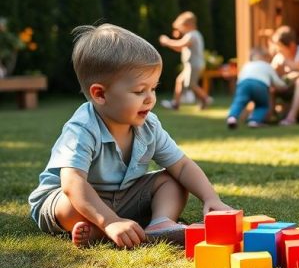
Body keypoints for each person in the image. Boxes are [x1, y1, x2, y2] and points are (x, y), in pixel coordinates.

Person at [28, 24, 233, 250]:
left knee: (172, 180)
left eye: (153, 88)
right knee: (70, 205)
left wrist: (210, 197)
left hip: (123, 196)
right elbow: (72, 182)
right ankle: (103, 227)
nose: (150, 99)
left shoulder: (149, 125)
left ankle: (159, 223)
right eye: (139, 91)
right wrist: (110, 220)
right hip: (71, 198)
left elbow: (182, 166)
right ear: (100, 94)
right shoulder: (83, 128)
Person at [159, 11, 211, 110]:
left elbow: (180, 45)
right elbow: (179, 48)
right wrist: (169, 43)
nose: (180, 30)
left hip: (194, 64)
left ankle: (205, 98)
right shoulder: (193, 34)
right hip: (191, 65)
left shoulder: (192, 35)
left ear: (188, 25)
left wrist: (167, 41)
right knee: (180, 81)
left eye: (181, 27)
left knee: (191, 85)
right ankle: (176, 104)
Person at [226, 47, 288, 129]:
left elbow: (240, 77)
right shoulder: (267, 66)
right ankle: (255, 121)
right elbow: (277, 82)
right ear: (265, 57)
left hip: (243, 84)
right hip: (260, 85)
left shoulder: (247, 65)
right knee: (262, 105)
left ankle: (232, 118)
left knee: (239, 102)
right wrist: (285, 86)